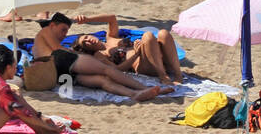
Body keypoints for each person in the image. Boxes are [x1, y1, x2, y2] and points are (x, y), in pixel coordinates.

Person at [31, 14, 168, 101]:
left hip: (58, 72)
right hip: (61, 59)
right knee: (106, 70)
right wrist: (75, 52)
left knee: (103, 81)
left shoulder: (39, 42)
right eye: (63, 30)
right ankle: (142, 88)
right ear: (52, 25)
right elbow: (57, 49)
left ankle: (133, 94)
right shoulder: (46, 30)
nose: (64, 34)